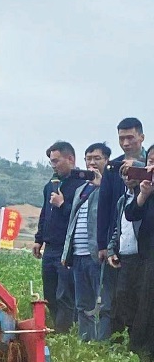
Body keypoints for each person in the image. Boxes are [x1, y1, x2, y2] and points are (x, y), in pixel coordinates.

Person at [62, 143, 111, 340]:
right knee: (82, 304)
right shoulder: (80, 189)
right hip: (79, 254)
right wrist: (67, 252)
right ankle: (86, 343)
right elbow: (72, 222)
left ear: (107, 161)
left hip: (97, 254)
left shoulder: (111, 185)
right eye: (88, 158)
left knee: (102, 304)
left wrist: (102, 186)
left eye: (97, 158)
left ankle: (102, 344)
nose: (91, 162)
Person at [33, 141, 84, 333]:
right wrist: (39, 239)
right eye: (51, 162)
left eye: (56, 161)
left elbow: (79, 217)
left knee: (66, 293)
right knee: (50, 293)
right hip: (50, 246)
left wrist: (62, 204)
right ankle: (58, 327)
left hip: (68, 247)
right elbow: (45, 213)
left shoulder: (81, 186)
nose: (53, 165)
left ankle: (66, 332)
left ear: (70, 159)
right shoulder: (50, 186)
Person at [97, 118, 145, 261]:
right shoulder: (112, 168)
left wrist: (139, 167)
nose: (125, 143)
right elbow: (104, 207)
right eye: (121, 139)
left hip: (146, 241)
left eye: (130, 138)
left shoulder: (150, 163)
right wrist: (102, 245)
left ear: (142, 137)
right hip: (118, 243)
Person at [124, 151, 154, 362]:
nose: (152, 167)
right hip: (148, 258)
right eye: (150, 162)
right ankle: (143, 357)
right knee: (145, 308)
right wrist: (143, 194)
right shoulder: (147, 190)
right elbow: (131, 213)